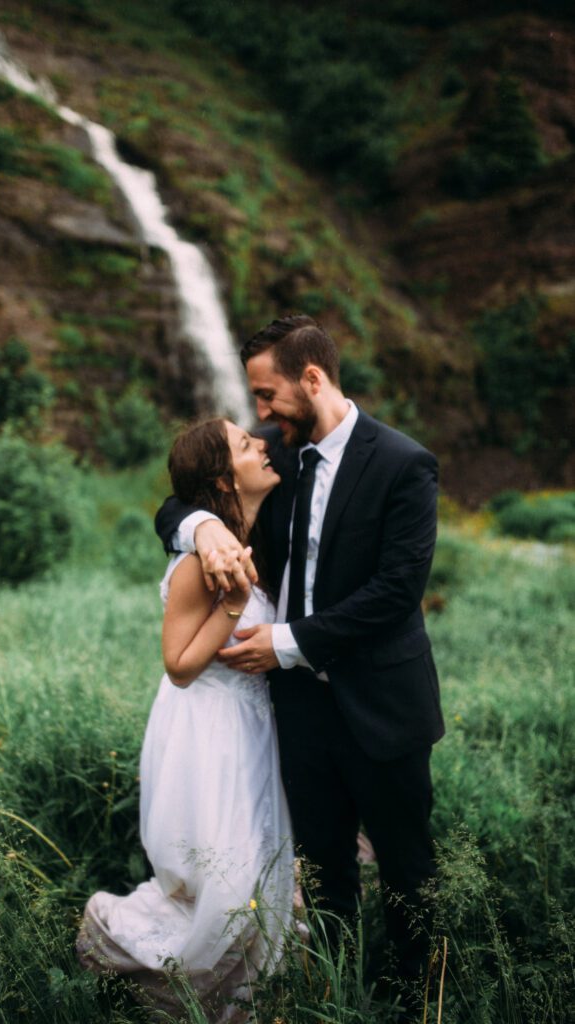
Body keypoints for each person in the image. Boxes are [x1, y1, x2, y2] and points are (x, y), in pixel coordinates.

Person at [155, 314, 445, 1011]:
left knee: (407, 865)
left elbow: (395, 594)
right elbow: (181, 497)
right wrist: (204, 527)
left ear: (310, 379)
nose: (260, 413)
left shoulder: (403, 463)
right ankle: (338, 986)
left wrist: (284, 644)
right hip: (300, 713)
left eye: (266, 394)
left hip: (382, 703)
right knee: (322, 867)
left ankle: (419, 996)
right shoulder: (279, 455)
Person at [77, 418, 295, 1024]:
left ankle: (249, 999)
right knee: (228, 876)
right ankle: (182, 992)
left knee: (256, 864)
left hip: (251, 728)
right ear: (225, 478)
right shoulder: (205, 561)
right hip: (210, 734)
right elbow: (178, 665)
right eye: (247, 445)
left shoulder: (237, 534)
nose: (262, 445)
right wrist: (232, 602)